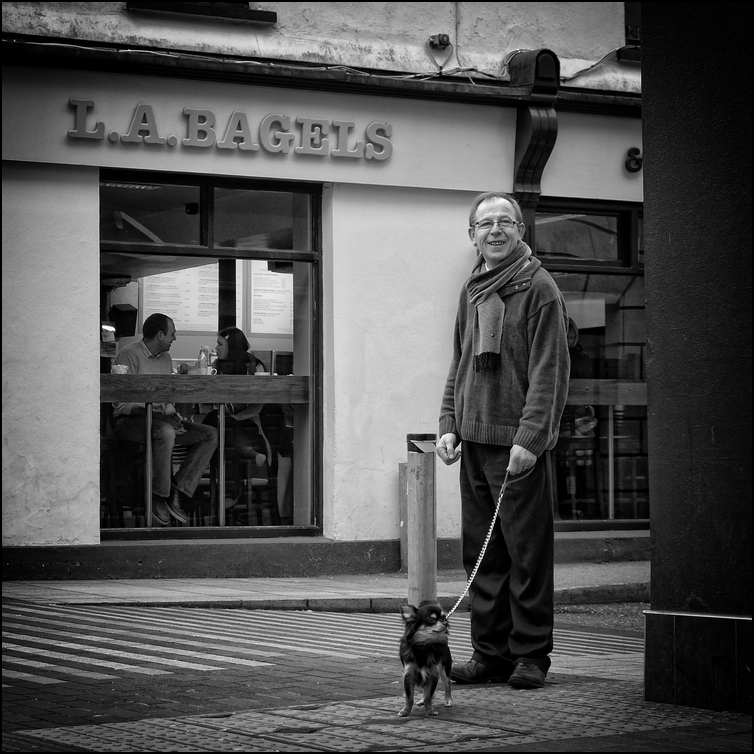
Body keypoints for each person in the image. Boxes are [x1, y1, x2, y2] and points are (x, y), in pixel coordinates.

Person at [436, 192, 570, 690]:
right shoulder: (473, 287)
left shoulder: (538, 288)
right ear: (471, 234)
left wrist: (531, 439)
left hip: (516, 447)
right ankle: (489, 654)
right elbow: (459, 361)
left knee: (526, 555)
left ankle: (530, 655)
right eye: (485, 223)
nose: (495, 230)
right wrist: (448, 422)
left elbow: (549, 372)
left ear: (520, 230)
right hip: (472, 441)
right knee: (483, 556)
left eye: (505, 222)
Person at [112, 313, 218, 527]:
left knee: (209, 434)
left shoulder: (166, 359)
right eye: (173, 334)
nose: (175, 338)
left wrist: (172, 414)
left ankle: (177, 490)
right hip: (128, 423)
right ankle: (158, 495)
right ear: (160, 335)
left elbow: (165, 399)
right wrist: (161, 417)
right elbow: (120, 405)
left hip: (159, 421)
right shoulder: (128, 355)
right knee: (166, 431)